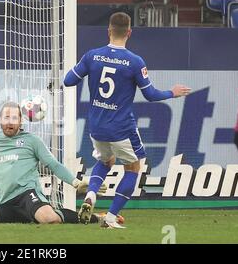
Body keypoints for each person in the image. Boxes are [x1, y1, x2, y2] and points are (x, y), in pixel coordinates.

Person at [63, 12, 191, 229]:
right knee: (133, 168)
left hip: (96, 127)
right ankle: (111, 217)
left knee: (106, 161)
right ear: (129, 32)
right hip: (121, 128)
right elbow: (150, 95)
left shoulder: (92, 56)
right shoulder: (134, 61)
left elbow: (68, 81)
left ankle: (91, 195)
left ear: (109, 31)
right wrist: (172, 92)